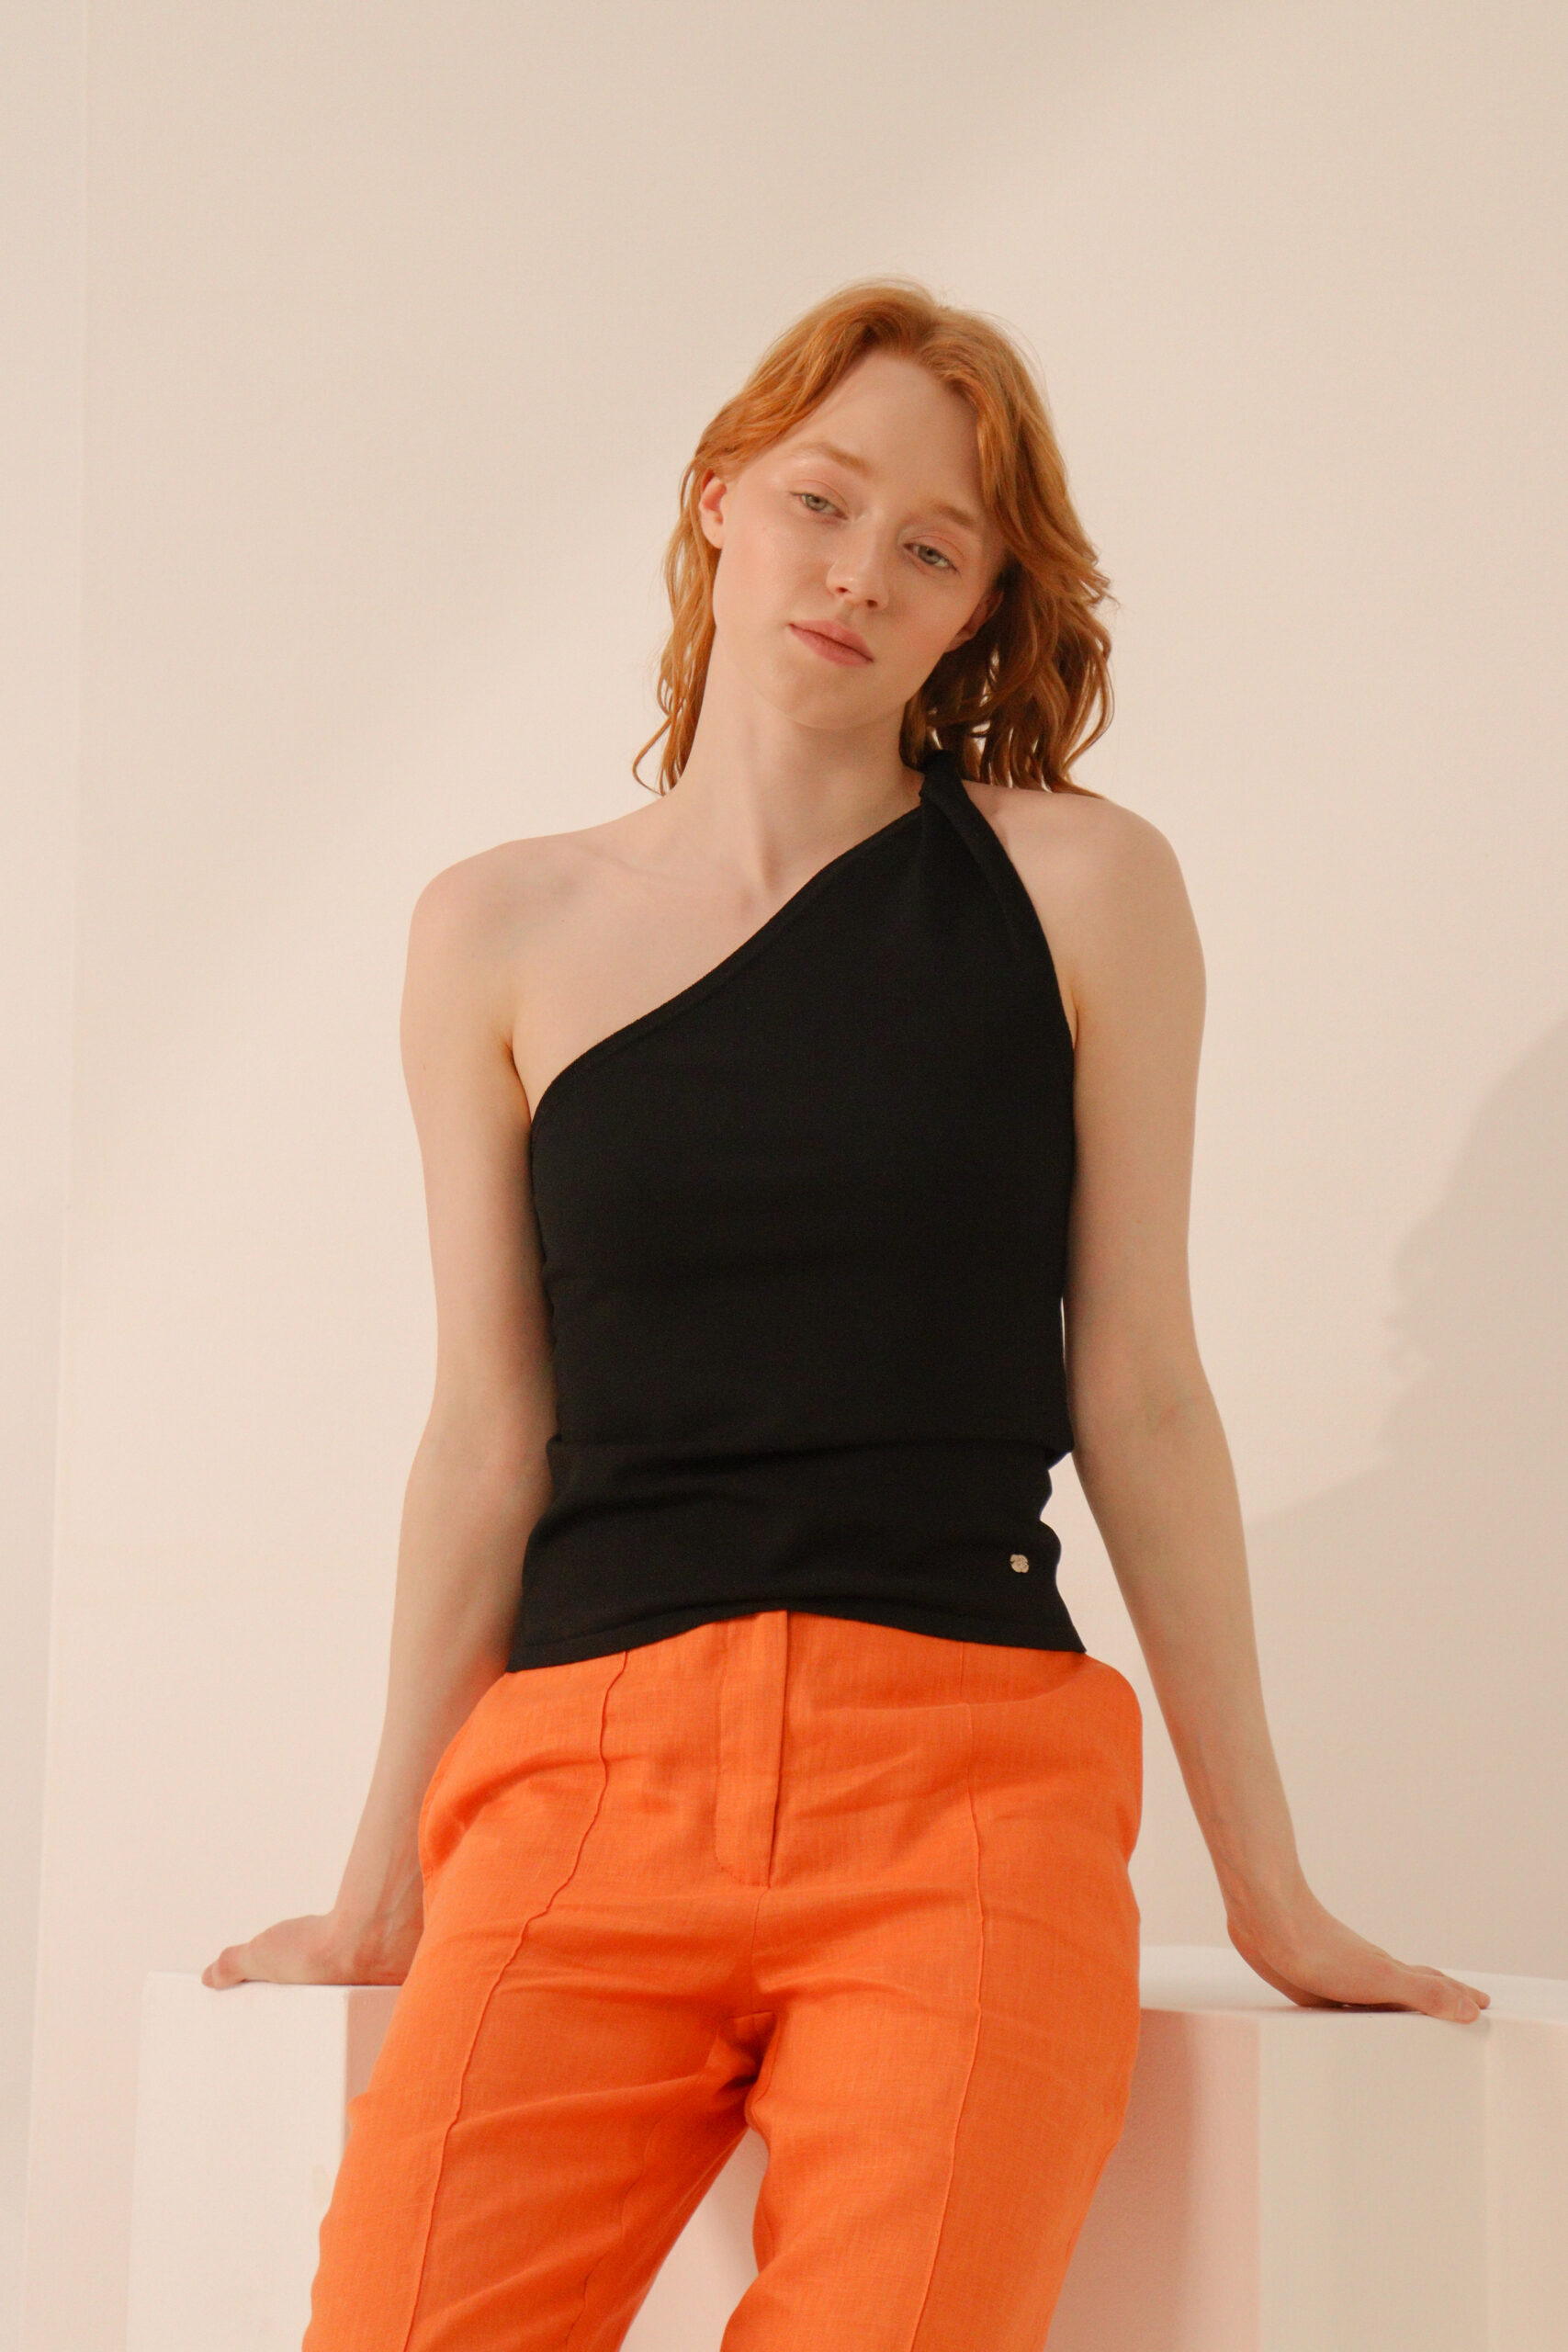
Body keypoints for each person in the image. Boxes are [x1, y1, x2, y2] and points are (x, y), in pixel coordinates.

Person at [204, 278, 1488, 2352]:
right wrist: (378, 1886)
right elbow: (486, 1430)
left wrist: (1270, 1890)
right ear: (721, 496)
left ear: (979, 606)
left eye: (932, 546)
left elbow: (1141, 1392)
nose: (858, 572)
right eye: (822, 500)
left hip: (963, 1793)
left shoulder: (1080, 890)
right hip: (580, 1784)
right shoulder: (496, 926)